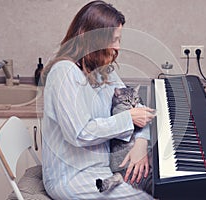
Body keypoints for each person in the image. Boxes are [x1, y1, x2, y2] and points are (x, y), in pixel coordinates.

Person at [41, 1, 155, 199]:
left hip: (103, 166)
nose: (118, 47)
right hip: (72, 175)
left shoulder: (101, 70)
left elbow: (140, 109)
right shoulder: (64, 73)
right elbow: (80, 133)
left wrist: (141, 144)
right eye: (114, 40)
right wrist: (128, 118)